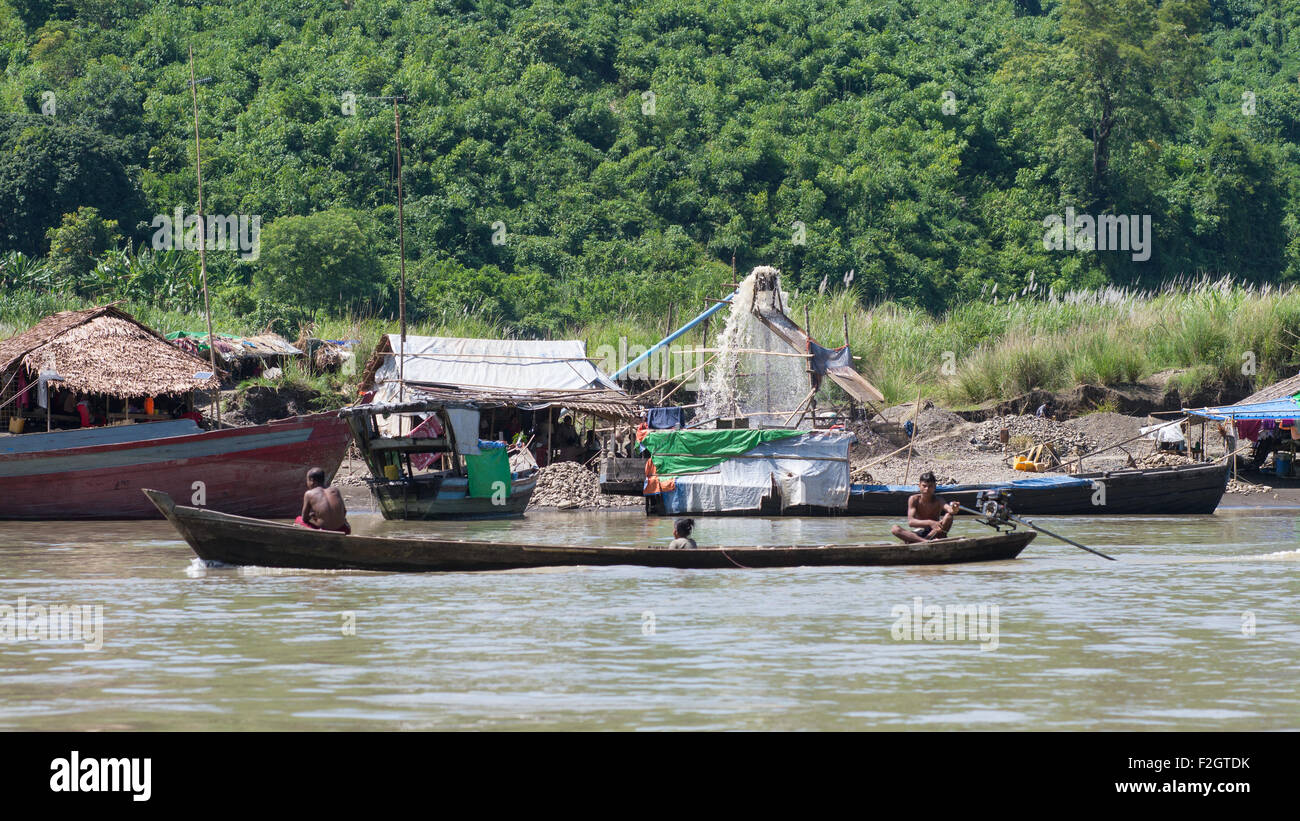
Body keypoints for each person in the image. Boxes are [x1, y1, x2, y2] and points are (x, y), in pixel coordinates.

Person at [890, 471, 959, 543]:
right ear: (919, 485)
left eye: (930, 486)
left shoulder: (938, 500)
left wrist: (954, 509)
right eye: (924, 486)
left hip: (935, 532)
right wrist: (930, 523)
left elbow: (949, 509)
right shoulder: (914, 499)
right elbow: (911, 522)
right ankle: (924, 541)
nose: (927, 489)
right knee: (895, 529)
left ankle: (930, 540)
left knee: (949, 516)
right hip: (919, 532)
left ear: (934, 487)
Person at [296, 467, 351, 535]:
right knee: (344, 521)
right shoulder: (335, 490)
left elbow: (304, 519)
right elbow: (344, 512)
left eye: (307, 480)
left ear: (312, 481)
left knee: (298, 520)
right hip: (343, 530)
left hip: (324, 532)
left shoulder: (309, 494)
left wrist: (312, 516)